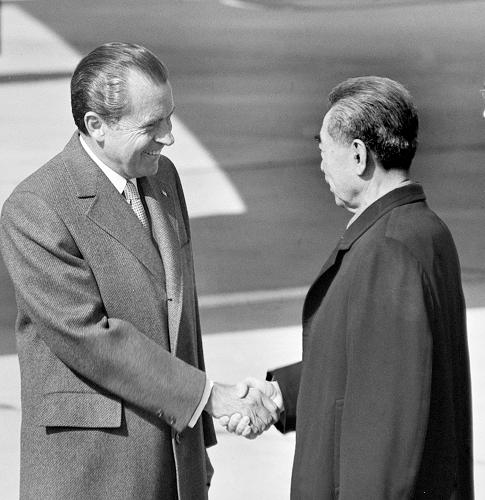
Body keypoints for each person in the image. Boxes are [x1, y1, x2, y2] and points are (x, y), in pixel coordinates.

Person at [0, 42, 278, 500]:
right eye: (152, 125)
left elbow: (182, 319)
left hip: (174, 459)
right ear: (96, 126)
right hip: (97, 471)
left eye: (170, 117)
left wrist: (199, 444)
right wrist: (208, 397)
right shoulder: (36, 209)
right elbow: (91, 340)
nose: (169, 137)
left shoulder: (163, 178)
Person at [223, 76, 474, 499]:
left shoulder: (388, 252)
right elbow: (369, 362)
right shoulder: (420, 231)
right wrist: (281, 394)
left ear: (358, 155)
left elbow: (388, 425)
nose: (321, 166)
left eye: (324, 151)